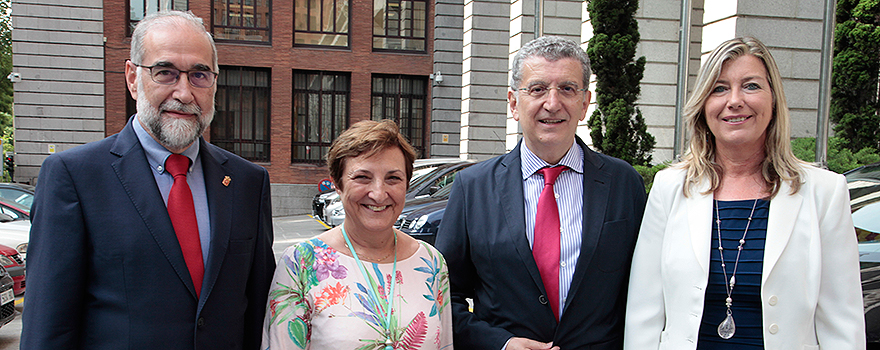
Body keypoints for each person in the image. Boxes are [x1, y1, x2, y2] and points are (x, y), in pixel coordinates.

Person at [20, 10, 276, 350]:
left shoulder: (248, 182)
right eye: (165, 72)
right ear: (132, 77)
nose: (184, 93)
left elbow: (258, 310)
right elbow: (47, 326)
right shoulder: (74, 176)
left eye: (200, 74)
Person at [624, 37, 865, 349]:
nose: (734, 100)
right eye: (720, 88)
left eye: (751, 86)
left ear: (773, 99)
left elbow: (842, 323)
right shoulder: (671, 187)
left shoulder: (823, 192)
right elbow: (645, 312)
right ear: (703, 105)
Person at [435, 36, 647, 350]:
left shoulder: (623, 183)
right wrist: (501, 343)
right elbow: (441, 297)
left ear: (585, 103)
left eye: (567, 88)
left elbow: (644, 291)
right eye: (537, 89)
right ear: (513, 103)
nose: (552, 103)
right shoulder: (473, 187)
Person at [262, 119, 453, 350]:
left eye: (393, 178)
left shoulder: (431, 262)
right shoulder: (301, 264)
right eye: (362, 177)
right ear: (338, 184)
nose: (379, 194)